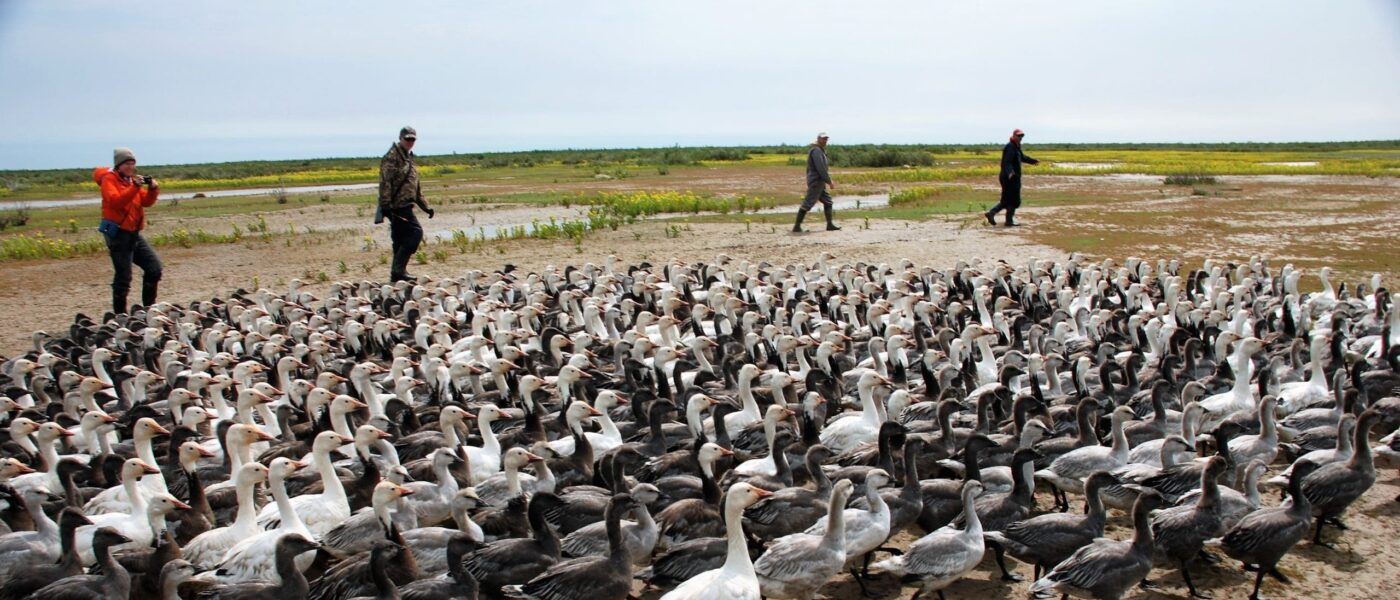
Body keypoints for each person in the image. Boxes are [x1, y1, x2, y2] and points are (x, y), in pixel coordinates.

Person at [96, 147, 161, 314]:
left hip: (134, 234)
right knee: (124, 277)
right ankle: (120, 317)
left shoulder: (131, 180)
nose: (130, 167)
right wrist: (134, 187)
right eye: (127, 163)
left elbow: (145, 202)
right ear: (118, 165)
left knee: (154, 268)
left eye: (132, 163)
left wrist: (153, 189)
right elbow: (115, 201)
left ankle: (149, 310)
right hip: (118, 234)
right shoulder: (109, 180)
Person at [377, 126, 434, 282]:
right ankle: (398, 270)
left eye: (412, 139)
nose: (410, 142)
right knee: (415, 233)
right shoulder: (392, 157)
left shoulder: (408, 158)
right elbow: (385, 182)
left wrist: (425, 206)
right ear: (400, 138)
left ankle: (396, 275)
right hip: (397, 206)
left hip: (407, 204)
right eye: (407, 139)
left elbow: (414, 186)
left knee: (400, 240)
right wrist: (385, 205)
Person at [985, 128, 1039, 227]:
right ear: (1014, 136)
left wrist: (1033, 161)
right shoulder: (1010, 147)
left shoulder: (1016, 147)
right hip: (1009, 177)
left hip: (1012, 177)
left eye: (1022, 136)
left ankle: (995, 214)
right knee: (1013, 199)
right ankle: (1005, 219)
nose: (1020, 138)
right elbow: (1007, 162)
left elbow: (1022, 157)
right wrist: (1010, 172)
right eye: (1018, 136)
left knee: (1008, 199)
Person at [794, 132, 839, 232]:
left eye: (826, 139)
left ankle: (830, 225)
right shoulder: (817, 151)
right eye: (823, 139)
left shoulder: (820, 150)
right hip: (816, 181)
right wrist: (829, 181)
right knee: (808, 203)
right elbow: (821, 168)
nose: (825, 141)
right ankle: (796, 227)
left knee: (828, 201)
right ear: (818, 139)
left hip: (819, 181)